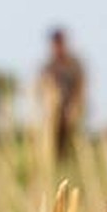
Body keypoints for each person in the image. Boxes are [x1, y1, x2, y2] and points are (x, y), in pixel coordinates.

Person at [37, 27, 87, 159]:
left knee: (72, 142)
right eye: (55, 44)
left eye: (60, 43)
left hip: (72, 109)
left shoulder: (74, 64)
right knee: (54, 144)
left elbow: (81, 86)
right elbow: (42, 87)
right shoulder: (48, 66)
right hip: (54, 111)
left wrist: (75, 107)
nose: (57, 47)